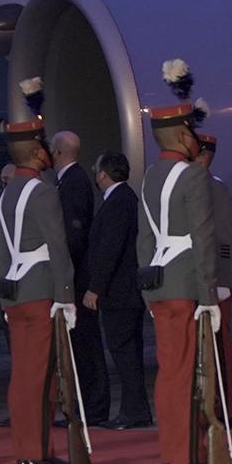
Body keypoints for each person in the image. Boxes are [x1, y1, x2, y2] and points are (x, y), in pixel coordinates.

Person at [137, 63, 222, 464]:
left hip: (159, 283)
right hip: (188, 283)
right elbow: (204, 239)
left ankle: (172, 451)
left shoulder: (151, 176)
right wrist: (210, 295)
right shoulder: (193, 176)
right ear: (183, 136)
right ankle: (188, 453)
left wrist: (148, 293)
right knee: (190, 371)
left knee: (170, 371)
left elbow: (144, 238)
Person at [0, 101, 79, 464]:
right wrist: (66, 295)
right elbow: (57, 246)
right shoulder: (42, 192)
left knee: (23, 375)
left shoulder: (7, 193)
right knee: (40, 377)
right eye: (44, 146)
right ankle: (36, 452)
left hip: (15, 291)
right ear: (36, 150)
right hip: (41, 289)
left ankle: (27, 449)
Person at [84, 151, 152, 428]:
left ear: (104, 174)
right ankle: (135, 409)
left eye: (97, 171)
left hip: (120, 293)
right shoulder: (123, 199)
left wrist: (95, 288)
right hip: (124, 292)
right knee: (128, 352)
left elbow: (109, 250)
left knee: (124, 352)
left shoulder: (118, 202)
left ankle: (134, 411)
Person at [50, 127, 110, 420]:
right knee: (80, 344)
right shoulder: (71, 181)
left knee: (85, 344)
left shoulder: (72, 183)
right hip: (75, 274)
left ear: (58, 151)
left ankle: (93, 407)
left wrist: (62, 272)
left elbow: (73, 235)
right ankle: (86, 405)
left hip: (76, 276)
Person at [193, 128, 232, 418]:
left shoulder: (215, 188)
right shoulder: (186, 186)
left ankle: (224, 409)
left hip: (214, 279)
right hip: (191, 280)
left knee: (219, 348)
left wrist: (224, 279)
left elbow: (225, 237)